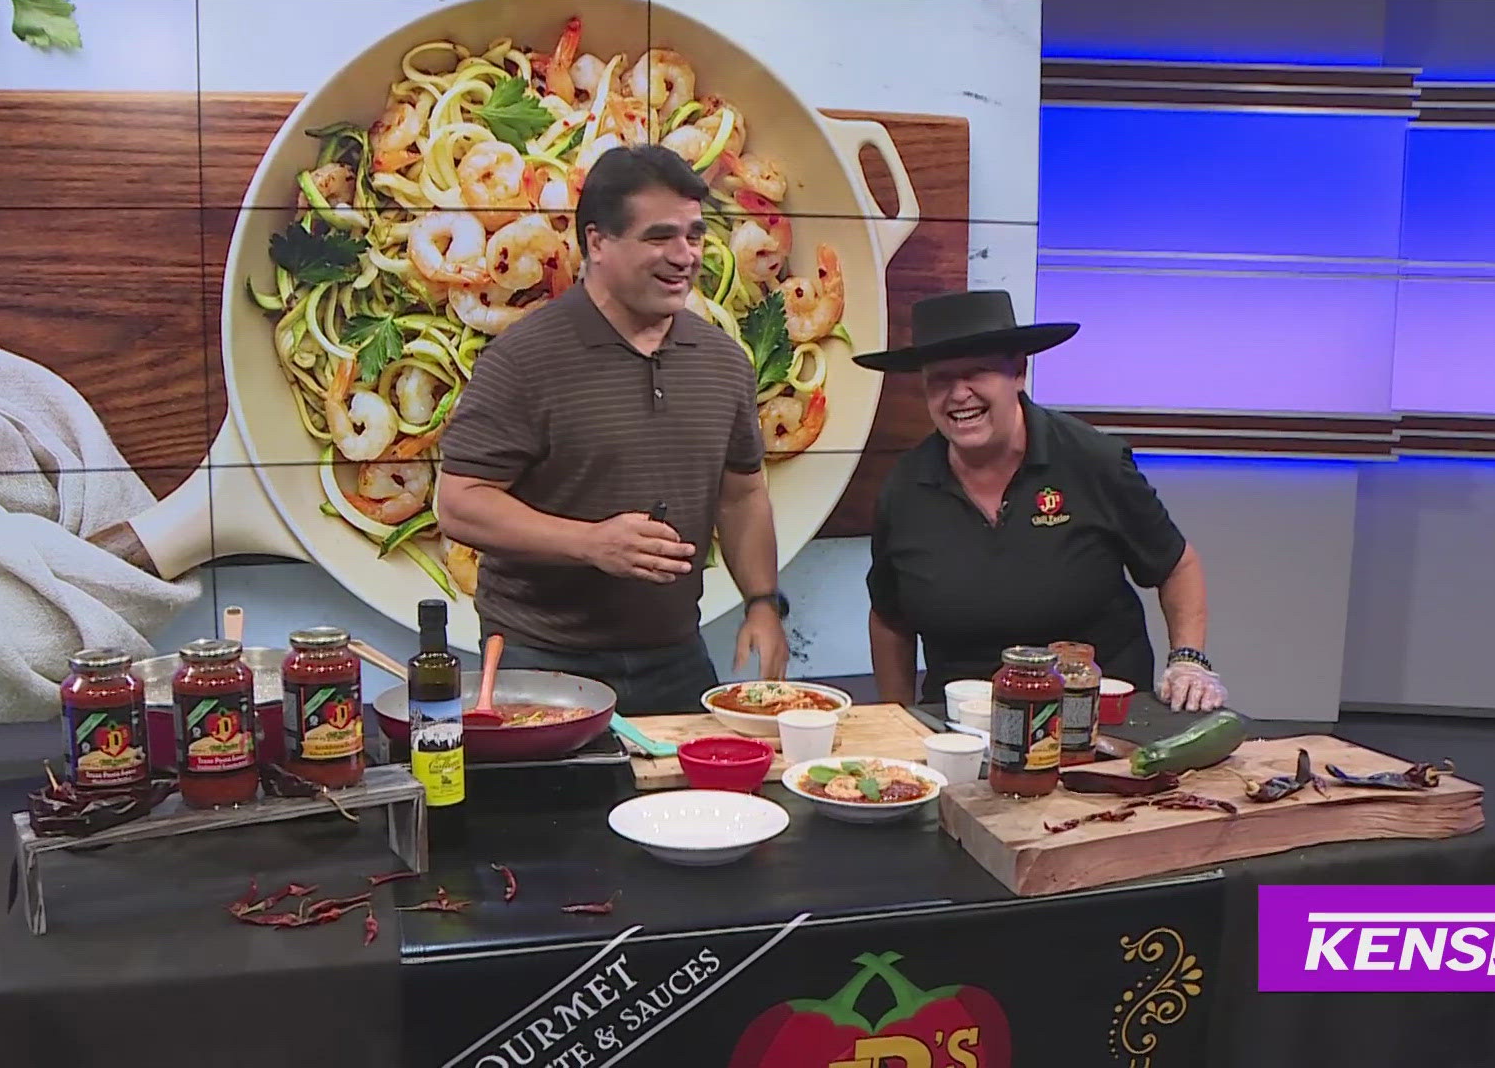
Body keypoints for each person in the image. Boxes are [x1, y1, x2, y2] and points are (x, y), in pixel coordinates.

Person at [434, 144, 789, 716]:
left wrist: (764, 605)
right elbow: (460, 504)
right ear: (597, 242)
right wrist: (592, 544)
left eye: (695, 236)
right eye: (659, 237)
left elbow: (742, 493)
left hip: (675, 656)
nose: (684, 256)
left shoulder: (725, 362)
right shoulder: (523, 358)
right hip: (540, 657)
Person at [853, 290, 1226, 712]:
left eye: (977, 372)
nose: (959, 394)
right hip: (964, 727)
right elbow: (889, 618)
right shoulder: (904, 490)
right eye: (940, 378)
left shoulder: (1092, 461)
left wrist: (1188, 661)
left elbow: (1177, 564)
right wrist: (897, 720)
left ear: (1018, 372)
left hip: (1099, 723)